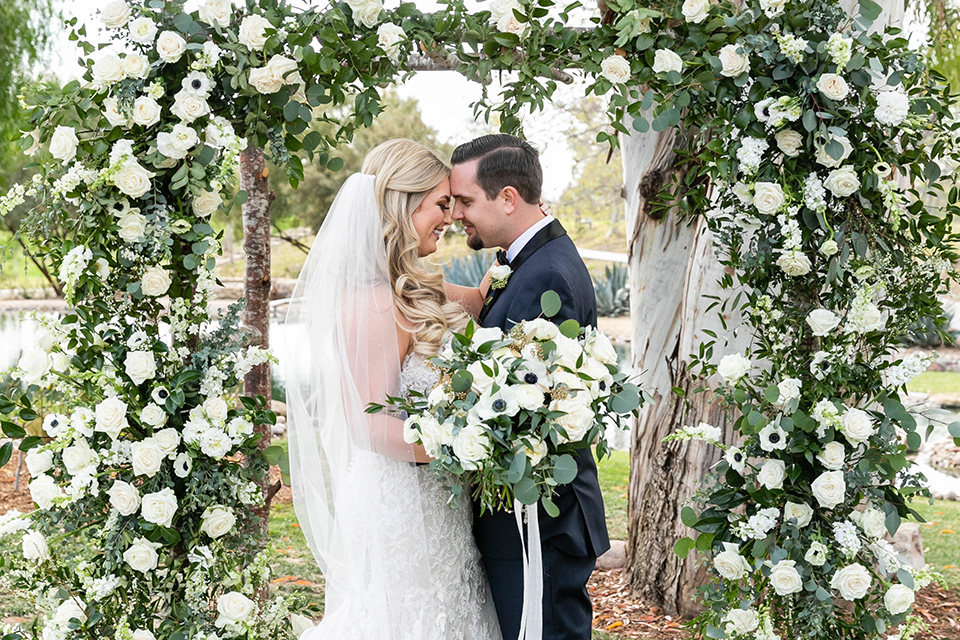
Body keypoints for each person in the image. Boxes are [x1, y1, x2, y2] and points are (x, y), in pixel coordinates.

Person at [284, 139, 501, 639]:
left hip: (436, 498)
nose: (449, 216)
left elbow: (481, 297)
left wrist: (523, 233)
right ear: (403, 206)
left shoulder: (415, 286)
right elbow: (370, 427)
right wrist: (473, 447)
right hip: (400, 502)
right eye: (441, 204)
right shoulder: (372, 304)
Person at [448, 134, 610, 640]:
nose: (457, 215)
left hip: (539, 517)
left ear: (509, 198)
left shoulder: (548, 277)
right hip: (527, 514)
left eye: (466, 201)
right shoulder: (529, 260)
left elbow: (523, 406)